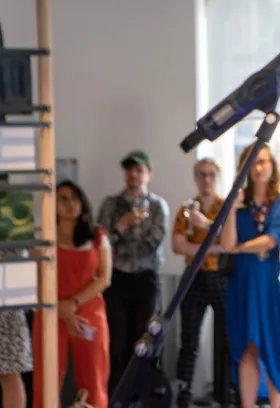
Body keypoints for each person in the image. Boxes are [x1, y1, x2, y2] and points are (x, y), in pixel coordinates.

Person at [220, 143, 280, 408]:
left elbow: (272, 240)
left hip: (273, 282)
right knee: (246, 347)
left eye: (264, 161)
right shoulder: (239, 203)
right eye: (253, 162)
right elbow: (227, 244)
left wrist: (241, 248)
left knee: (276, 347)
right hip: (243, 282)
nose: (259, 167)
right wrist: (230, 208)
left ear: (272, 165)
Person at [34, 180, 112, 408]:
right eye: (63, 198)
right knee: (45, 381)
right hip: (51, 312)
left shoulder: (97, 235)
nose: (71, 204)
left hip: (88, 312)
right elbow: (36, 281)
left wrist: (73, 304)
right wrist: (61, 309)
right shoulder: (43, 236)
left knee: (94, 380)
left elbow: (104, 278)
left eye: (75, 198)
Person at [97, 150, 169, 393]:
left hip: (145, 279)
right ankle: (116, 394)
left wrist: (121, 237)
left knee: (144, 340)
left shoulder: (158, 206)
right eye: (129, 170)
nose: (133, 175)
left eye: (139, 170)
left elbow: (153, 242)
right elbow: (102, 241)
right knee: (116, 342)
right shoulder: (110, 205)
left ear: (149, 174)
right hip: (117, 278)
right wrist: (122, 225)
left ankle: (140, 395)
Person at [171, 158, 226, 407]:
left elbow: (229, 242)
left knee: (226, 338)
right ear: (195, 177)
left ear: (217, 177)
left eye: (211, 175)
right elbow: (177, 245)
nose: (206, 180)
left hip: (221, 276)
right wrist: (211, 246)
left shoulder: (225, 206)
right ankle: (183, 396)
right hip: (193, 276)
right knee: (189, 340)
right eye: (202, 174)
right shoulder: (186, 208)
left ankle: (225, 394)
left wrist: (206, 226)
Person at [0, 173, 33, 408]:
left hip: (7, 298)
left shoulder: (15, 202)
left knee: (9, 372)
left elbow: (18, 256)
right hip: (9, 296)